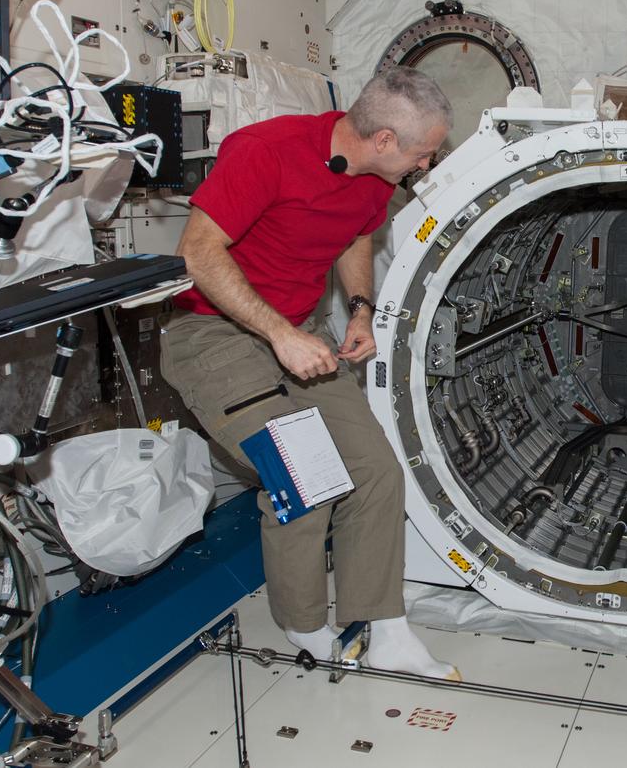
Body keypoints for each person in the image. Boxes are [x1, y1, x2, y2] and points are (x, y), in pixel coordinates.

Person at [159, 68, 458, 680]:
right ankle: (304, 625)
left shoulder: (374, 177)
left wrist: (360, 309)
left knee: (376, 470)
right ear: (383, 140)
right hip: (213, 334)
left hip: (299, 331)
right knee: (305, 472)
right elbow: (196, 253)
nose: (426, 165)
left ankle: (386, 629)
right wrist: (280, 335)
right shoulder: (266, 152)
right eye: (423, 153)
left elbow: (356, 234)